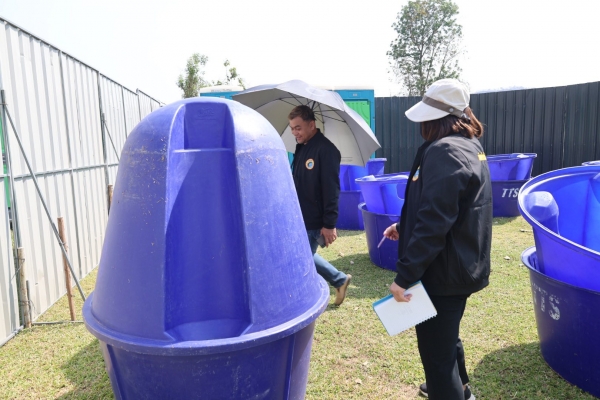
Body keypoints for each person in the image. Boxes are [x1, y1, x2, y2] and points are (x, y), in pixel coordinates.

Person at [383, 79, 492, 400]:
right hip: (457, 265)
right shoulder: (468, 146)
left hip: (443, 271)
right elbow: (447, 206)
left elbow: (435, 221)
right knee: (446, 338)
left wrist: (404, 277)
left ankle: (449, 390)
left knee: (436, 356)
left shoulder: (445, 151)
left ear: (437, 118)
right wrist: (403, 225)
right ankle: (462, 389)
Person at [289, 105, 352, 306]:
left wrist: (329, 224)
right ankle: (339, 280)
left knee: (300, 258)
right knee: (303, 256)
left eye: (298, 128)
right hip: (300, 216)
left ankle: (304, 300)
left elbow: (331, 190)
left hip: (314, 219)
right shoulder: (302, 147)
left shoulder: (326, 150)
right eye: (292, 128)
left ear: (311, 125)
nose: (294, 133)